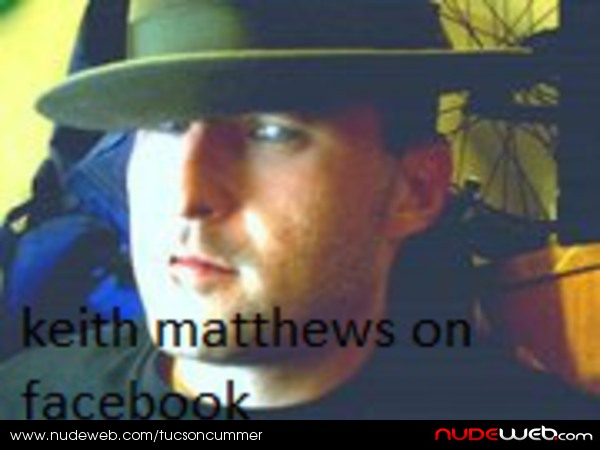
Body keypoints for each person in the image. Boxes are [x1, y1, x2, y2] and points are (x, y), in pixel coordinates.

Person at [0, 0, 597, 420]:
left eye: (271, 132)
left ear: (416, 190)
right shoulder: (27, 397)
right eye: (165, 127)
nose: (187, 197)